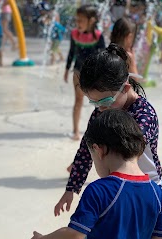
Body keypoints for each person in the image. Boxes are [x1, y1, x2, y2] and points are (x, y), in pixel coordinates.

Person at [56, 44, 162, 239]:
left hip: (146, 187)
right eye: (92, 101)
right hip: (115, 185)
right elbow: (87, 148)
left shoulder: (144, 114)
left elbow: (131, 152)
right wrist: (72, 188)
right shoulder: (101, 111)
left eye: (104, 100)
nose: (99, 107)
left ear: (126, 87)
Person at [29, 109, 162, 239]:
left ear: (99, 150)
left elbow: (73, 236)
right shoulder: (156, 191)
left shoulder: (99, 190)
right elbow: (161, 238)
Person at [65, 5, 106, 141]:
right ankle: (76, 131)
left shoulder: (98, 36)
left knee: (100, 102)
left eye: (81, 20)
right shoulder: (75, 34)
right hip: (77, 73)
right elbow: (71, 53)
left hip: (93, 74)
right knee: (78, 100)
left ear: (91, 20)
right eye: (77, 20)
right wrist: (66, 70)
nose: (78, 23)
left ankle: (101, 131)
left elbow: (104, 56)